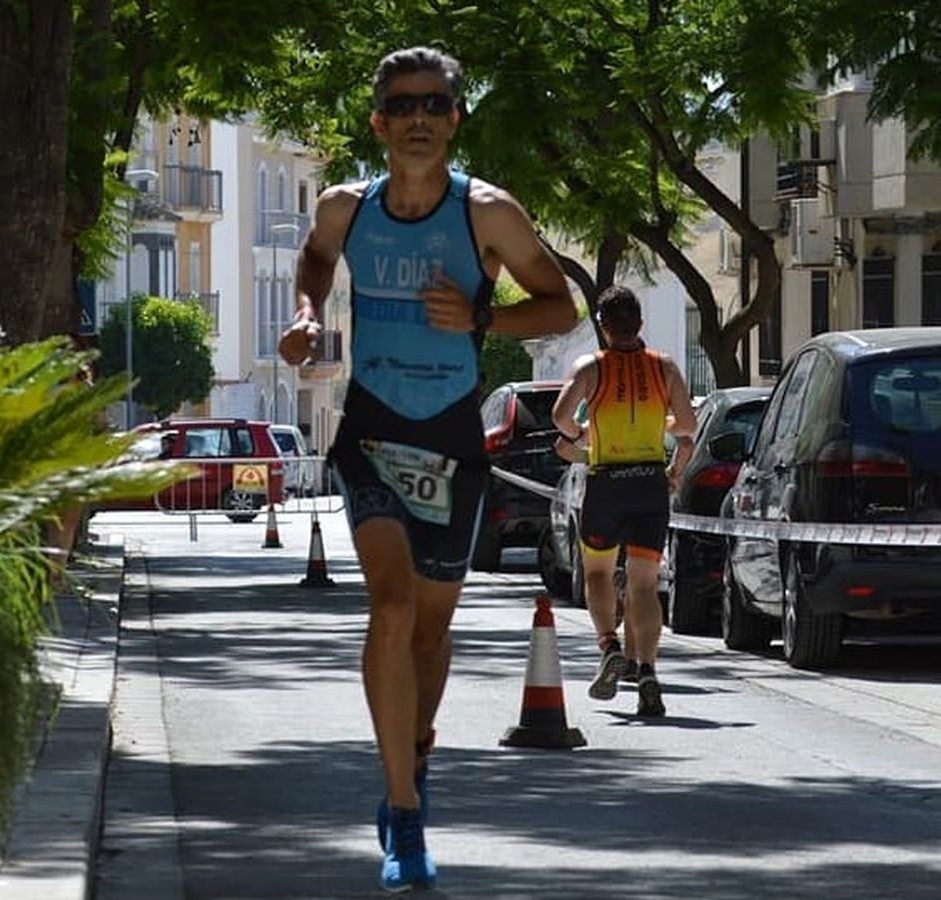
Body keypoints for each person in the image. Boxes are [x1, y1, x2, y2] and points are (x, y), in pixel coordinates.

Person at [277, 46, 577, 893]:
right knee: (393, 605)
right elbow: (313, 259)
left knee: (432, 635)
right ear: (378, 123)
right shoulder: (348, 207)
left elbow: (559, 305)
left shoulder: (488, 214)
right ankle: (403, 814)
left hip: (451, 440)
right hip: (371, 431)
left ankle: (414, 749)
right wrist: (305, 317)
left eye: (435, 104)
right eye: (403, 105)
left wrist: (482, 313)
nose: (418, 117)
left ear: (455, 119)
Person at [550, 286, 697, 719]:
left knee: (596, 571)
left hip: (606, 482)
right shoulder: (664, 367)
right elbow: (687, 424)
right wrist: (659, 419)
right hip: (650, 482)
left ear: (602, 324)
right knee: (645, 585)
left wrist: (579, 436)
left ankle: (610, 646)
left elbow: (561, 417)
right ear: (641, 324)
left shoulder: (590, 367)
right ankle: (648, 670)